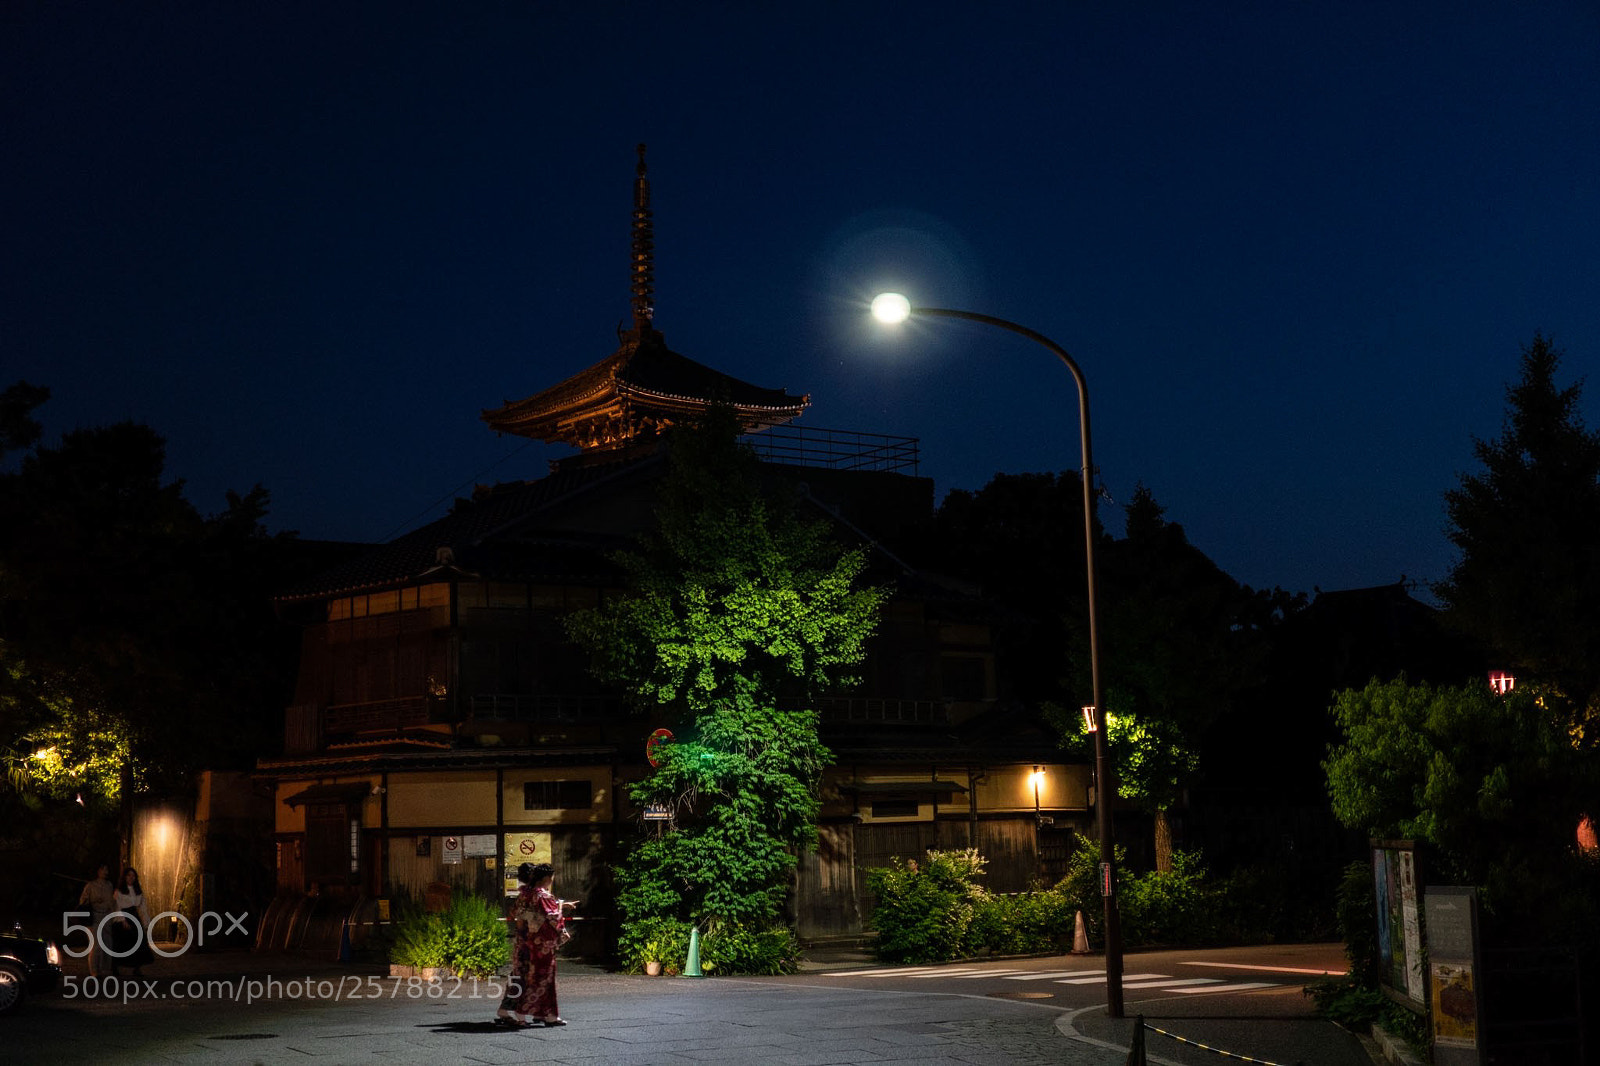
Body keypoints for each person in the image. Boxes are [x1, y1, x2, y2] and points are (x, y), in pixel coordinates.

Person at [494, 861, 577, 1028]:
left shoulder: (525, 894)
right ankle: (534, 1014)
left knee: (520, 976)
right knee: (541, 978)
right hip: (540, 944)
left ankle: (521, 1012)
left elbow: (515, 912)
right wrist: (561, 908)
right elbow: (553, 917)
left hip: (524, 940)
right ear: (546, 878)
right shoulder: (542, 895)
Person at [110, 866, 154, 976]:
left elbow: (143, 906)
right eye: (129, 875)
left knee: (138, 942)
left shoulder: (137, 890)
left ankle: (137, 968)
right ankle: (115, 967)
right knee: (122, 944)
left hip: (134, 916)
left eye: (133, 875)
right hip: (123, 917)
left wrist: (145, 921)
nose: (131, 877)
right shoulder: (119, 891)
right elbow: (117, 906)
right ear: (125, 877)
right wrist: (122, 920)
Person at [76, 863, 116, 977]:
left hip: (107, 916)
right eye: (103, 869)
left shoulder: (109, 885)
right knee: (96, 945)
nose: (105, 872)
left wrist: (113, 915)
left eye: (107, 869)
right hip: (94, 917)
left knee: (108, 945)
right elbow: (82, 902)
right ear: (98, 871)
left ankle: (105, 969)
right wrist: (93, 901)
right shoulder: (91, 885)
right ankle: (94, 970)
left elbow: (112, 902)